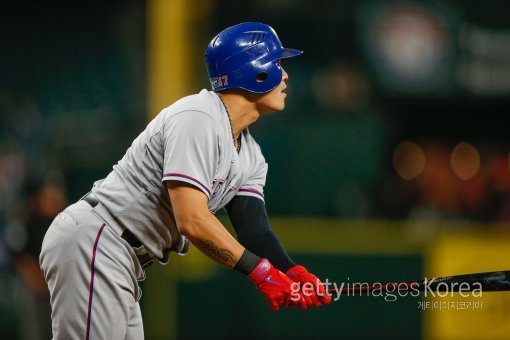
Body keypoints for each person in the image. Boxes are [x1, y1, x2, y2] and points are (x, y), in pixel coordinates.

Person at [40, 22, 331, 339]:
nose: (285, 76)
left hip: (120, 256)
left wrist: (291, 271)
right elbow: (192, 220)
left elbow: (254, 229)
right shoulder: (198, 116)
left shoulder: (251, 155)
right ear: (254, 71)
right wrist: (261, 274)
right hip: (97, 239)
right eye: (277, 63)